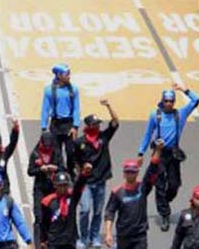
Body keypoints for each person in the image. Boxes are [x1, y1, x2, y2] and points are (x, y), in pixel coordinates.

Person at [137, 84, 199, 231]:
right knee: (159, 185)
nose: (169, 103)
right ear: (162, 101)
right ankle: (165, 214)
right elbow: (147, 135)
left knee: (174, 184)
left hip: (173, 154)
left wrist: (184, 89)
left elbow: (196, 100)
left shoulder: (181, 114)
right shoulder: (156, 115)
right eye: (166, 101)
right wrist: (141, 153)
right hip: (159, 153)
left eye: (171, 101)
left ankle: (164, 201)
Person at [73, 99, 120, 249]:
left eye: (99, 124)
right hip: (86, 182)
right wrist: (81, 171)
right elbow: (74, 161)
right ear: (89, 126)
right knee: (85, 209)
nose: (99, 126)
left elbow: (115, 122)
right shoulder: (79, 142)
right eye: (95, 124)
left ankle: (94, 237)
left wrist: (109, 106)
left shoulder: (103, 137)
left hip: (101, 181)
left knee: (98, 211)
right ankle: (83, 237)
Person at [103, 143, 163, 249]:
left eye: (133, 172)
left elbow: (152, 168)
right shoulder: (117, 192)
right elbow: (110, 213)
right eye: (128, 172)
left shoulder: (143, 188)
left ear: (137, 173)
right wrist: (108, 233)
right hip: (123, 235)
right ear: (124, 174)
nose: (131, 174)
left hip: (140, 235)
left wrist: (158, 150)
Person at [39, 167, 91, 249]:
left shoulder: (72, 197)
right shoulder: (48, 201)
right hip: (54, 241)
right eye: (60, 185)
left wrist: (84, 174)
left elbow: (79, 186)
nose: (63, 188)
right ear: (55, 185)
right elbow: (44, 223)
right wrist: (43, 240)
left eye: (65, 185)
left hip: (69, 241)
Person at [40, 63, 80, 168]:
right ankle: (60, 172)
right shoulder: (49, 90)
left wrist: (75, 126)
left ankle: (71, 171)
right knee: (56, 152)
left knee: (71, 151)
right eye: (66, 74)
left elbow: (76, 108)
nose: (69, 76)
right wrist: (44, 127)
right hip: (56, 124)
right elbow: (45, 109)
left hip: (69, 124)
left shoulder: (73, 89)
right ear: (59, 75)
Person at [27, 131, 63, 244]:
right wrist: (40, 170)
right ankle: (38, 244)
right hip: (40, 189)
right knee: (39, 217)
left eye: (49, 145)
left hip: (53, 189)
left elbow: (63, 168)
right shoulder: (35, 154)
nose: (47, 147)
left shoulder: (56, 153)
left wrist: (55, 168)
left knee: (52, 216)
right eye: (45, 145)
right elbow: (30, 171)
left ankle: (49, 241)